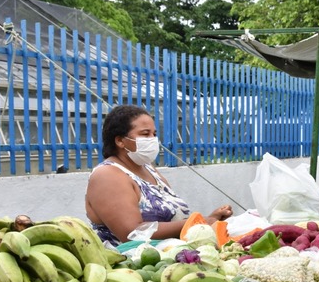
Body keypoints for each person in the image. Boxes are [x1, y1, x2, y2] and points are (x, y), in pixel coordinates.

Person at [85, 104, 232, 245]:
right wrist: (197, 223)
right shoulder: (107, 175)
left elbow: (172, 219)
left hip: (171, 255)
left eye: (154, 134)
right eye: (145, 134)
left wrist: (209, 219)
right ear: (120, 141)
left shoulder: (148, 169)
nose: (153, 139)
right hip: (135, 265)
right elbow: (132, 234)